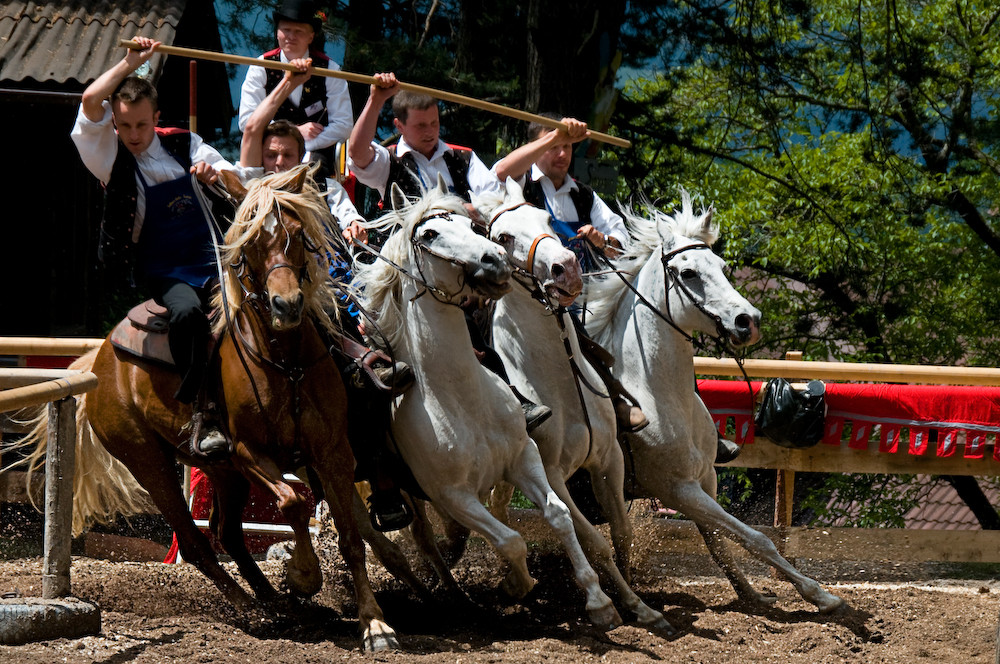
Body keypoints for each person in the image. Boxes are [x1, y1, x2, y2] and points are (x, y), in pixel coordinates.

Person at [238, 61, 414, 531]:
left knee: (380, 345)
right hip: (271, 297)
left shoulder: (325, 186)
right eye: (272, 154)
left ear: (302, 155)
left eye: (287, 154)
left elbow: (346, 215)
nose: (278, 162)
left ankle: (382, 468)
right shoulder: (252, 188)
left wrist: (354, 223)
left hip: (332, 289)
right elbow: (252, 126)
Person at [347, 72, 551, 432]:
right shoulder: (389, 161)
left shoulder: (463, 157)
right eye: (421, 125)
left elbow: (490, 201)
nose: (430, 131)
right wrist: (375, 99)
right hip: (408, 272)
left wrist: (472, 211)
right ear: (399, 125)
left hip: (465, 267)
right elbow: (357, 154)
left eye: (435, 122)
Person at [71, 36, 234, 458]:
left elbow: (237, 179)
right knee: (188, 312)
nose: (133, 135)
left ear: (156, 118)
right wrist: (130, 63)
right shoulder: (108, 156)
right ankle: (202, 409)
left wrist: (214, 175)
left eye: (141, 125)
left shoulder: (186, 143)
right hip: (164, 269)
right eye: (123, 125)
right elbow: (91, 100)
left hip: (214, 259)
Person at [493, 115, 649, 434]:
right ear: (537, 147)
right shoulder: (518, 186)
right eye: (554, 147)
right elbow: (501, 171)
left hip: (574, 300)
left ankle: (613, 407)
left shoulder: (584, 196)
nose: (562, 154)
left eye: (567, 146)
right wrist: (551, 138)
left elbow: (622, 248)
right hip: (523, 298)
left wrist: (601, 240)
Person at [238, 0, 352, 178]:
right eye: (286, 30)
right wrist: (296, 133)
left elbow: (343, 125)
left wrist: (303, 146)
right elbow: (246, 122)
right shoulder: (260, 67)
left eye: (298, 31)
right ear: (277, 33)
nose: (291, 36)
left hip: (316, 161)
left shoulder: (330, 70)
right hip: (268, 159)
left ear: (311, 36)